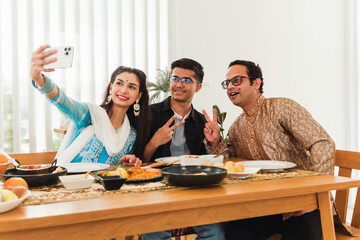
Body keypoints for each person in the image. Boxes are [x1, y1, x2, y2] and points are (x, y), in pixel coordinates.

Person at [203, 60, 335, 240]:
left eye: (236, 80)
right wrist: (216, 141)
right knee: (235, 234)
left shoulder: (282, 108)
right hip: (266, 205)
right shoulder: (237, 126)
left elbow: (323, 143)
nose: (230, 87)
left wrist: (313, 196)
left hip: (302, 201)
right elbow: (230, 162)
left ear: (256, 83)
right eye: (227, 83)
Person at [140, 58, 225, 240]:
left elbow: (209, 164)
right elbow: (138, 160)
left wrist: (213, 142)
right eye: (175, 79)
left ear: (198, 87)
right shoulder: (149, 114)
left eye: (186, 80)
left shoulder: (201, 122)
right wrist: (155, 141)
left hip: (192, 190)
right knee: (155, 233)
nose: (178, 85)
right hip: (156, 189)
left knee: (216, 233)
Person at [30, 44, 151, 166]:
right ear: (111, 88)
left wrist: (129, 164)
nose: (124, 90)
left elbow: (117, 170)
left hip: (101, 184)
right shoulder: (90, 114)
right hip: (67, 181)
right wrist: (40, 81)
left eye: (131, 87)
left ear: (139, 96)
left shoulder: (131, 135)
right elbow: (64, 102)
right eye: (119, 83)